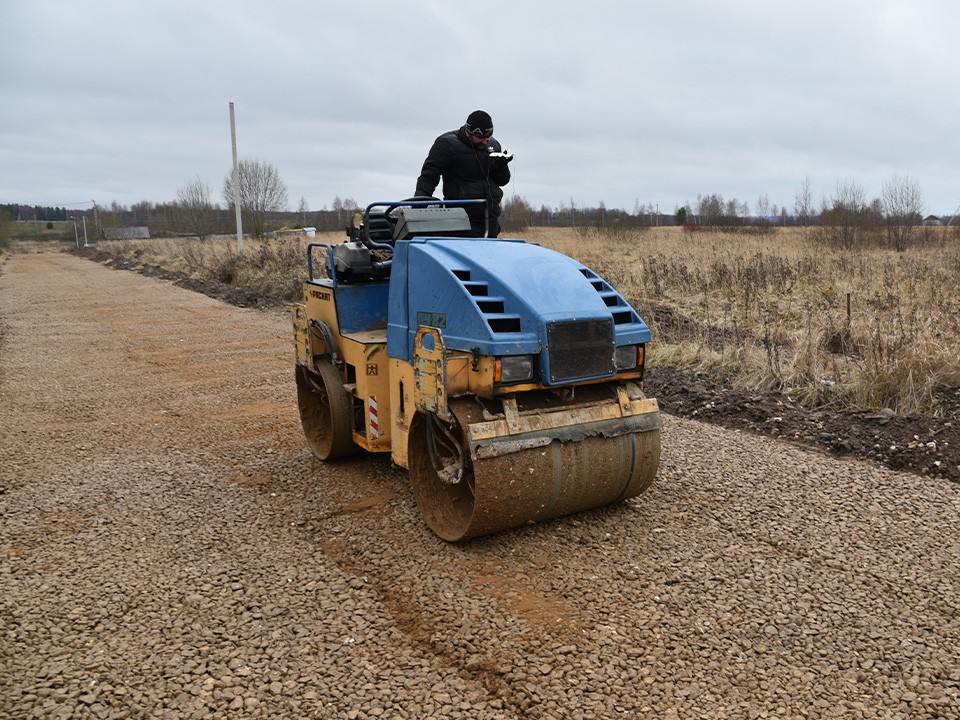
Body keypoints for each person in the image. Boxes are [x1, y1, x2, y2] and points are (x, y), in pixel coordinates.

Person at [415, 110, 513, 237]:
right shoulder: (446, 144)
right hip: (462, 220)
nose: (485, 141)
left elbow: (502, 181)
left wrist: (502, 166)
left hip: (491, 219)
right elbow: (429, 176)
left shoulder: (493, 145)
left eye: (488, 137)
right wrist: (417, 207)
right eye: (481, 138)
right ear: (469, 132)